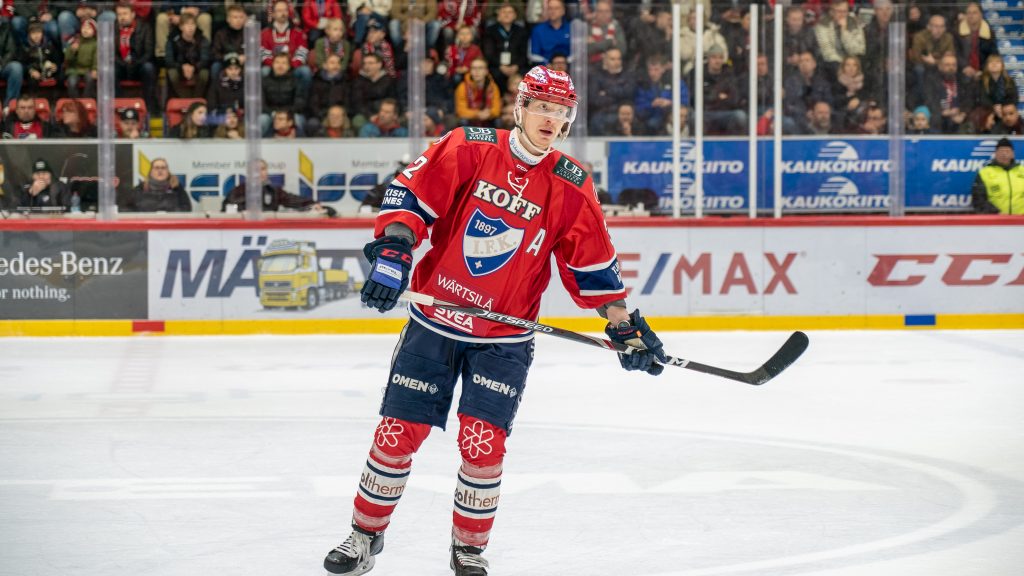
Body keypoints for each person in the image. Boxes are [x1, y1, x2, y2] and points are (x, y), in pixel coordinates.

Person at [321, 64, 667, 576]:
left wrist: (623, 326)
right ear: (520, 107)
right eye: (543, 107)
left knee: (482, 445)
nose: (551, 120)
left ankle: (468, 549)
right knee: (396, 434)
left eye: (561, 112)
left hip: (505, 337)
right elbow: (411, 197)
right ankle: (364, 536)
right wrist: (394, 252)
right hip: (435, 321)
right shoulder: (469, 146)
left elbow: (592, 264)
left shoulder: (571, 184)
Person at [222, 159, 328, 213]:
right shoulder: (239, 190)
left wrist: (312, 204)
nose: (260, 173)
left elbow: (292, 200)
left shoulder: (273, 190)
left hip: (269, 229)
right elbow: (227, 209)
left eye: (263, 169)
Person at [113, 2, 157, 115]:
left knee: (148, 68)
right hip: (122, 65)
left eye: (125, 14)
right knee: (111, 69)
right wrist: (123, 64)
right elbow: (111, 53)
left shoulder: (145, 27)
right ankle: (120, 107)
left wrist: (135, 63)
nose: (122, 17)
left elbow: (149, 52)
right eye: (119, 14)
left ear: (133, 14)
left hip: (138, 65)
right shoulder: (114, 28)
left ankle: (148, 108)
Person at [481, 3, 529, 96]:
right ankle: (500, 99)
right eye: (503, 12)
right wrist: (501, 66)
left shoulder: (521, 31)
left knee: (525, 75)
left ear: (515, 15)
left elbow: (524, 53)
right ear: (498, 15)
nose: (506, 15)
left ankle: (519, 101)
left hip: (517, 66)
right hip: (497, 65)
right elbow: (488, 53)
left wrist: (516, 66)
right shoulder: (490, 30)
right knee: (495, 74)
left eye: (510, 12)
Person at [972, 137, 1024, 214]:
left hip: (1021, 219)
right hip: (996, 220)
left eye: (1007, 151)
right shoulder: (985, 173)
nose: (1004, 154)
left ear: (1013, 154)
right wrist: (994, 213)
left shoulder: (1022, 170)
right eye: (1001, 151)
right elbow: (978, 199)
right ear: (995, 154)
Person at [166, 12, 212, 99]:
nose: (190, 27)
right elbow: (169, 60)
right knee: (172, 73)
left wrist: (194, 67)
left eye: (193, 24)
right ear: (181, 27)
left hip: (197, 69)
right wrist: (182, 67)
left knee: (205, 73)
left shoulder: (202, 39)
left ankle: (196, 99)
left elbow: (206, 59)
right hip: (180, 70)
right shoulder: (173, 40)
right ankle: (185, 99)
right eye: (187, 24)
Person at [262, 52, 307, 136]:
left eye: (284, 63)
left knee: (298, 119)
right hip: (270, 113)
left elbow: (300, 101)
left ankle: (300, 143)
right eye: (277, 62)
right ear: (273, 65)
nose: (280, 66)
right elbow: (261, 103)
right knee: (262, 119)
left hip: (290, 113)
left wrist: (287, 114)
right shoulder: (264, 81)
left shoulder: (295, 81)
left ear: (289, 66)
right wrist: (273, 114)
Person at [123, 158, 192, 212]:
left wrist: (170, 214)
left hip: (170, 224)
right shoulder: (140, 188)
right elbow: (125, 209)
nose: (160, 170)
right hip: (146, 224)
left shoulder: (176, 188)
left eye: (163, 168)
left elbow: (186, 208)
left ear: (168, 171)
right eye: (156, 168)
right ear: (151, 172)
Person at [454, 58, 501, 127]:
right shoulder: (463, 87)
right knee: (462, 120)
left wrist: (489, 113)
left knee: (498, 121)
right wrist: (478, 114)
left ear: (486, 71)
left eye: (480, 68)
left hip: (487, 118)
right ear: (470, 71)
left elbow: (497, 110)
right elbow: (461, 111)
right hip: (470, 120)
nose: (477, 71)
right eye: (474, 68)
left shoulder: (493, 87)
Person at [956, 2, 997, 81]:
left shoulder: (989, 32)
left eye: (974, 13)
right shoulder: (957, 32)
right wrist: (965, 67)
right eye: (969, 13)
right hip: (963, 71)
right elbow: (956, 53)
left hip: (983, 72)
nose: (971, 15)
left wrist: (983, 71)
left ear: (981, 15)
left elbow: (993, 54)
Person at [19, 22, 61, 96]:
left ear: (42, 33)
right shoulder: (25, 47)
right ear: (29, 35)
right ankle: (34, 98)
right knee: (32, 80)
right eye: (33, 33)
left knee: (61, 76)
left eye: (38, 32)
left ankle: (57, 98)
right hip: (34, 72)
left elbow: (57, 59)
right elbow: (22, 64)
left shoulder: (49, 45)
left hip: (48, 71)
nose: (36, 36)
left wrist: (55, 66)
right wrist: (31, 71)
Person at [211, 4, 247, 81]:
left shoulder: (249, 34)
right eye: (235, 17)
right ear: (228, 19)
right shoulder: (220, 34)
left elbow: (255, 53)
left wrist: (246, 57)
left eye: (241, 17)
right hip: (225, 63)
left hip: (242, 63)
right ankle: (216, 88)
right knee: (215, 66)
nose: (238, 20)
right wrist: (230, 57)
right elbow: (215, 53)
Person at [64, 17, 97, 98]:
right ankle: (75, 101)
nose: (85, 30)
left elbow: (96, 59)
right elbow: (68, 59)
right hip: (75, 69)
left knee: (90, 79)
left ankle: (86, 100)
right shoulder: (75, 41)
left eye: (89, 28)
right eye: (84, 28)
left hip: (88, 69)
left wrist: (95, 69)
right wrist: (72, 51)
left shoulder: (95, 44)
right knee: (72, 82)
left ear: (94, 31)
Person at [529, 0, 570, 64]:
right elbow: (533, 54)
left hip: (568, 66)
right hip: (545, 67)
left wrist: (564, 63)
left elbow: (577, 52)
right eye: (550, 8)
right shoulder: (538, 30)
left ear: (563, 11)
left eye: (556, 8)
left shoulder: (572, 29)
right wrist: (547, 63)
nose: (553, 11)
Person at [0, 17, 22, 105]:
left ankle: (10, 105)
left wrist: (1, 64)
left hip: (2, 64)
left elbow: (10, 50)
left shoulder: (5, 26)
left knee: (16, 67)